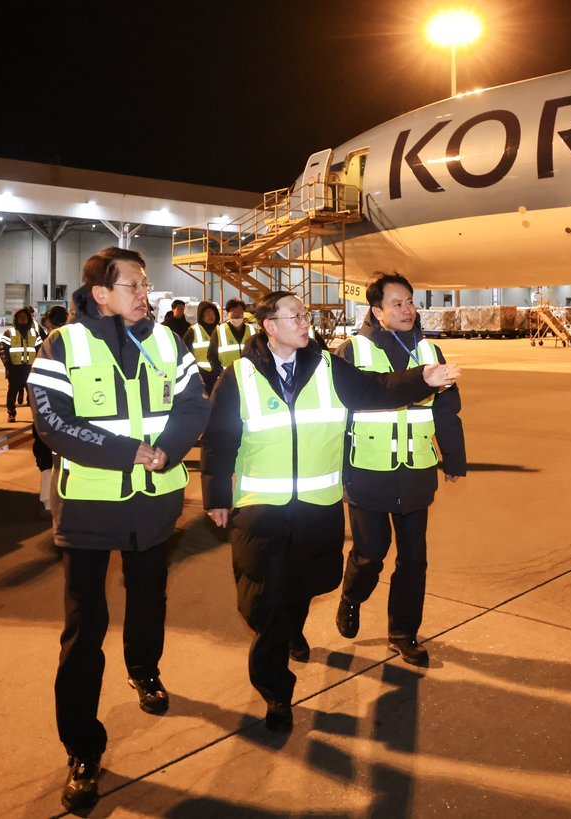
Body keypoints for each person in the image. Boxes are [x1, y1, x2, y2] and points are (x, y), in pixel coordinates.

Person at [200, 290, 459, 733]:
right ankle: (276, 692)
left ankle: (290, 628)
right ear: (270, 327)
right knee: (265, 598)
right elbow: (218, 440)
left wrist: (423, 378)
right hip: (261, 508)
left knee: (303, 585)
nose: (305, 322)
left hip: (316, 507)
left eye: (305, 314)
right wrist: (216, 497)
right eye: (295, 316)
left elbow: (376, 389)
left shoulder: (327, 367)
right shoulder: (239, 375)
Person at [28, 247, 210, 815]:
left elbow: (193, 404)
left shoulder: (167, 341)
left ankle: (144, 670)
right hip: (90, 506)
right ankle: (83, 749)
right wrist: (127, 451)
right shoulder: (63, 344)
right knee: (85, 628)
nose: (145, 293)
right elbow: (52, 421)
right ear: (100, 293)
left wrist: (165, 451)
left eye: (146, 284)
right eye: (134, 285)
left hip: (153, 501)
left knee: (149, 596)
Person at [334, 273, 466, 667]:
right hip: (368, 471)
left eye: (410, 301)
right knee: (370, 553)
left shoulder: (430, 350)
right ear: (376, 311)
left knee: (414, 559)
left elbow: (446, 408)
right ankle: (351, 596)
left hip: (415, 471)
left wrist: (453, 458)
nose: (407, 309)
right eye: (397, 303)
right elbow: (340, 412)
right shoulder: (352, 351)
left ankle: (403, 632)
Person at [31, 304, 68, 512]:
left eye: (50, 327)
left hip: (55, 411)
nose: (48, 332)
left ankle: (50, 498)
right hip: (54, 410)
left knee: (48, 455)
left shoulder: (56, 344)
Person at [0, 307, 39, 422]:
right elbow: (2, 350)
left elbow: (40, 349)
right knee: (12, 392)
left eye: (25, 317)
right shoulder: (9, 333)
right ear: (16, 319)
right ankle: (11, 412)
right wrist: (7, 364)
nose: (23, 319)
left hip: (30, 369)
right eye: (20, 317)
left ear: (28, 318)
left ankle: (36, 415)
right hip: (14, 368)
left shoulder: (34, 333)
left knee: (32, 394)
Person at [206, 298, 256, 383]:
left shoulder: (251, 330)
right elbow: (212, 355)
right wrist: (220, 372)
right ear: (227, 313)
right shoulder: (219, 330)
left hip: (249, 376)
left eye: (240, 311)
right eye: (233, 311)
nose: (237, 314)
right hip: (227, 377)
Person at [183, 300, 220, 394]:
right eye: (207, 313)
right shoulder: (193, 332)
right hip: (200, 376)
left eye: (213, 313)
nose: (211, 316)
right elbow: (185, 355)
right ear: (201, 315)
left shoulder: (221, 330)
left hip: (219, 376)